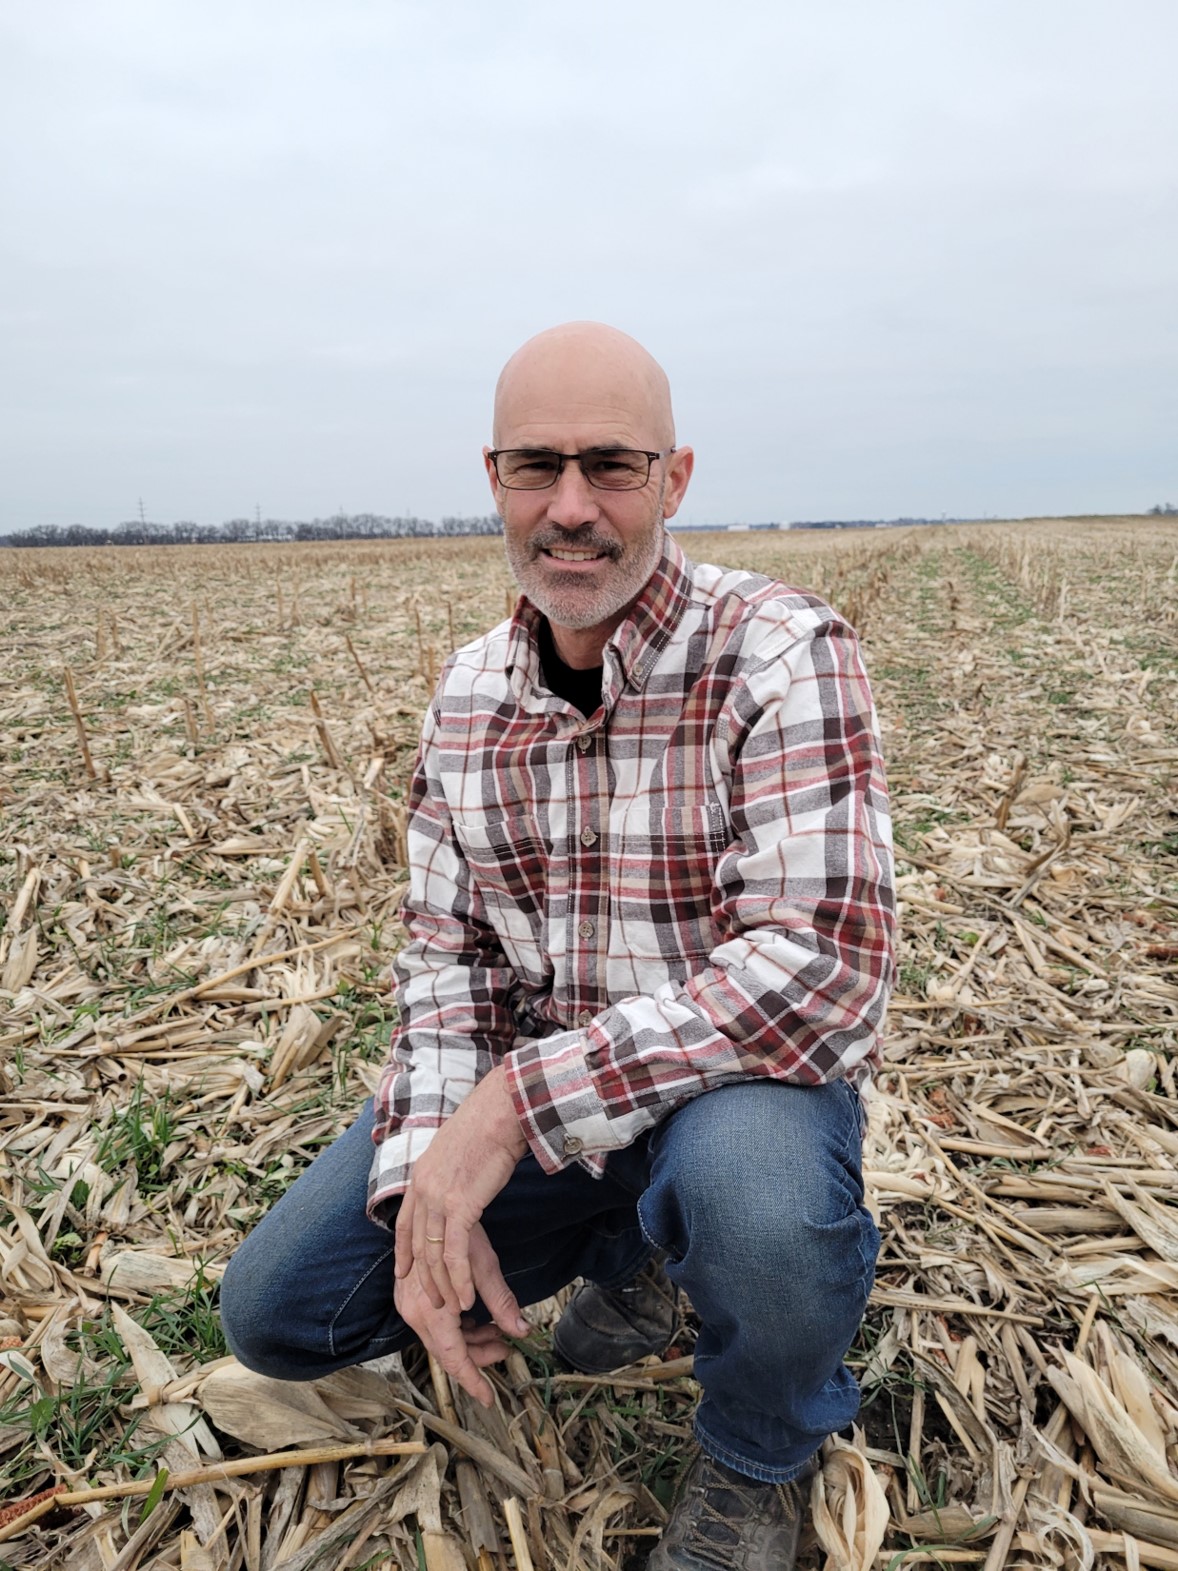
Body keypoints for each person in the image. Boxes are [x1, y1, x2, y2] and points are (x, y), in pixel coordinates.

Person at [221, 322, 895, 1570]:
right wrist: (426, 1173)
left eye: (611, 467)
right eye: (536, 467)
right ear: (492, 480)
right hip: (549, 1123)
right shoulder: (469, 694)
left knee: (751, 1197)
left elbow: (819, 966)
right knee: (278, 1314)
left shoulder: (780, 651)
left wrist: (511, 1105)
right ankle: (630, 1251)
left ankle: (758, 1456)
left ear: (675, 479)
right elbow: (446, 962)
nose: (569, 508)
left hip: (729, 1098)